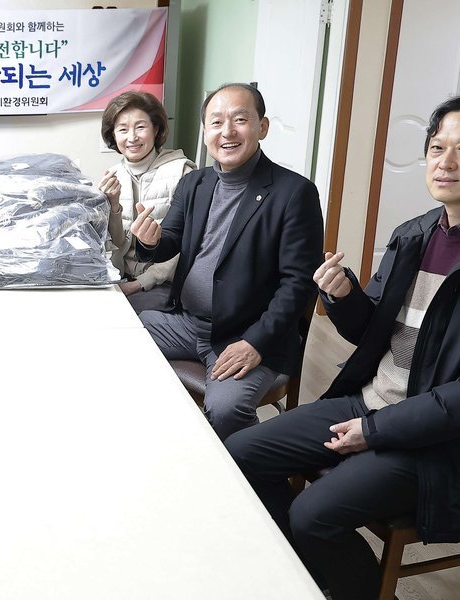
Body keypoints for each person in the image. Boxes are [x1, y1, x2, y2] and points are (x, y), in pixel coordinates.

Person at [225, 93, 460, 600]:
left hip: (457, 447)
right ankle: (309, 577)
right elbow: (372, 332)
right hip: (375, 404)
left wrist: (375, 431)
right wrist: (344, 296)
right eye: (436, 148)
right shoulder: (416, 233)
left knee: (313, 514)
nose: (445, 162)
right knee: (239, 455)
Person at [132, 83, 324, 439]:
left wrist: (256, 343)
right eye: (216, 122)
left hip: (246, 333)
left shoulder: (294, 192)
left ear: (262, 127)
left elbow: (299, 284)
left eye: (240, 120)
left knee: (226, 409)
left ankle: (253, 465)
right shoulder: (195, 183)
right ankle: (165, 440)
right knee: (117, 342)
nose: (227, 132)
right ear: (205, 131)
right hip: (186, 323)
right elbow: (168, 241)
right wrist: (149, 241)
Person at [96, 91, 196, 313]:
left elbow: (189, 243)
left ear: (156, 129)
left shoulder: (183, 172)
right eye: (123, 129)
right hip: (120, 276)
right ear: (113, 135)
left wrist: (139, 284)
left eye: (140, 127)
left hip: (165, 282)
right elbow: (117, 243)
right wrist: (113, 206)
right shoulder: (112, 175)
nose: (132, 137)